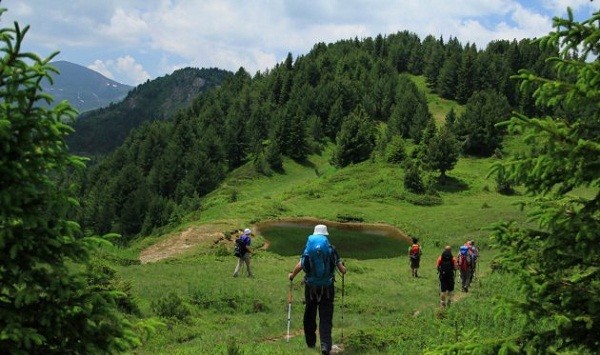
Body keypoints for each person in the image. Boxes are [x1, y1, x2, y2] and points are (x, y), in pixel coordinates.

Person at [288, 224, 347, 355]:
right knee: (326, 316)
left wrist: (292, 275)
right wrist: (344, 268)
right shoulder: (332, 249)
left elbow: (301, 265)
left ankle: (310, 343)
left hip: (311, 287)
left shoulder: (308, 248)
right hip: (327, 287)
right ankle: (326, 346)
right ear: (326, 235)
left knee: (310, 313)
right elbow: (342, 270)